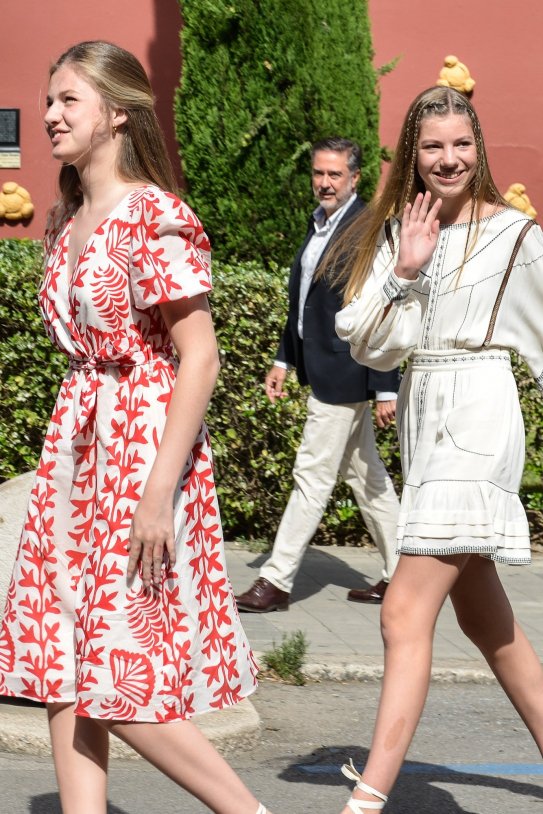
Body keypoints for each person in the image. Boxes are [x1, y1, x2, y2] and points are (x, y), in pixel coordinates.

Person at [0, 41, 273, 814]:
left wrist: (158, 494)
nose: (50, 115)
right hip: (76, 447)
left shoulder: (154, 214)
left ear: (117, 112)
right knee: (60, 663)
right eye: (48, 100)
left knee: (120, 683)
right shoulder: (67, 216)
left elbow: (202, 356)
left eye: (67, 101)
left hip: (141, 450)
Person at [332, 85, 543, 813]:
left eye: (459, 144)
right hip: (425, 416)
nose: (447, 159)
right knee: (484, 621)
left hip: (480, 416)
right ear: (411, 156)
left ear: (476, 147)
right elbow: (365, 339)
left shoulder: (519, 237)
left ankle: (366, 802)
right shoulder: (399, 230)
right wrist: (406, 269)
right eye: (432, 147)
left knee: (401, 614)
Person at [235, 138, 401, 614]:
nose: (324, 183)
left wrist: (385, 384)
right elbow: (305, 301)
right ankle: (402, 575)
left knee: (311, 475)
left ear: (354, 178)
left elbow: (384, 310)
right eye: (318, 174)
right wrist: (284, 359)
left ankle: (276, 580)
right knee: (367, 478)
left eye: (334, 175)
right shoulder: (320, 224)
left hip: (348, 373)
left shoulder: (370, 229)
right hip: (323, 368)